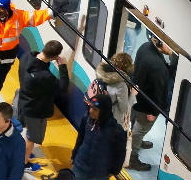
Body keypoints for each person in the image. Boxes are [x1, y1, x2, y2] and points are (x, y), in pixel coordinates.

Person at [17, 41, 69, 172]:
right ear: (54, 57)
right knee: (32, 137)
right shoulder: (45, 77)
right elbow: (63, 88)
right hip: (36, 110)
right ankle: (23, 163)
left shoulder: (27, 56)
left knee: (26, 131)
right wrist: (62, 67)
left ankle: (24, 153)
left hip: (23, 101)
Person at [129, 34, 177, 171]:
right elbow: (159, 92)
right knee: (140, 129)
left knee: (136, 125)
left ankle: (137, 142)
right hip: (147, 106)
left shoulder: (145, 47)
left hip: (137, 96)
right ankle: (132, 158)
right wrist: (154, 112)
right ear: (161, 43)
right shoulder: (157, 67)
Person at [70, 94, 128, 180]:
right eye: (91, 107)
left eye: (95, 109)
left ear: (104, 111)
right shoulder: (86, 120)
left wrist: (115, 170)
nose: (91, 111)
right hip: (79, 166)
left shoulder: (116, 131)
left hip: (99, 173)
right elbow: (80, 139)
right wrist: (74, 155)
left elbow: (120, 153)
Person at [94, 52, 134, 130]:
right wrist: (132, 95)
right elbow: (124, 109)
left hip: (96, 111)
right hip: (111, 120)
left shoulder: (102, 73)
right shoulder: (121, 85)